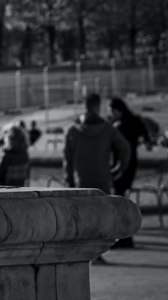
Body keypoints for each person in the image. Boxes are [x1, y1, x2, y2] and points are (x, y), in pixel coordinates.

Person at [65, 93, 130, 265]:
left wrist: (69, 180)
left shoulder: (73, 130)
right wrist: (119, 168)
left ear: (84, 105)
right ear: (97, 106)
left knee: (83, 218)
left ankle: (84, 254)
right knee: (101, 218)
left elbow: (67, 159)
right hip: (102, 178)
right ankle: (97, 254)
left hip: (81, 180)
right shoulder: (107, 128)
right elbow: (125, 148)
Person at [108, 95, 154, 246]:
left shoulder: (118, 127)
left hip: (120, 165)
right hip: (132, 163)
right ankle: (126, 236)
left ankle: (124, 237)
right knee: (123, 198)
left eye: (111, 111)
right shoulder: (135, 121)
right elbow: (147, 137)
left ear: (118, 111)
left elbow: (112, 147)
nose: (110, 114)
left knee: (118, 200)